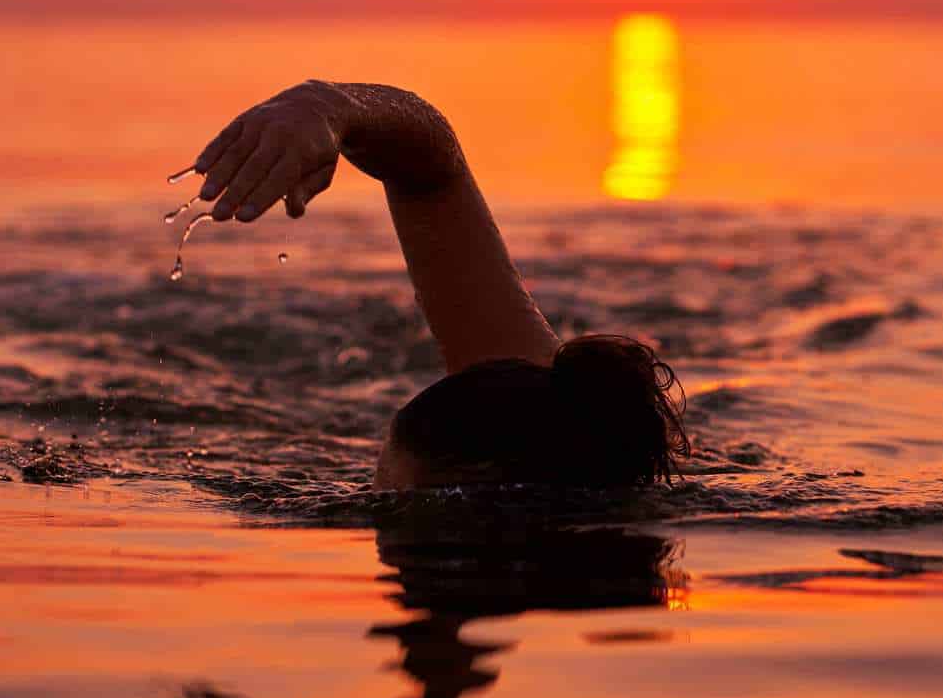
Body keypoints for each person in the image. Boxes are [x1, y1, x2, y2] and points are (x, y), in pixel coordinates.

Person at [184, 80, 690, 489]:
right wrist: (325, 106)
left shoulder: (528, 437)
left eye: (382, 491)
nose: (369, 492)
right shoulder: (554, 411)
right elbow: (429, 167)